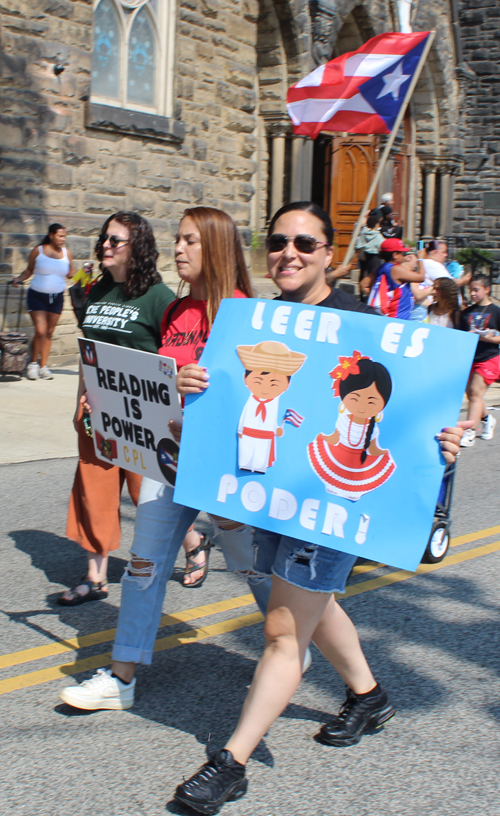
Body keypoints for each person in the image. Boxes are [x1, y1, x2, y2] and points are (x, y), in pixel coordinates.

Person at [174, 202, 468, 815]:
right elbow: (232, 395)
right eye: (279, 241)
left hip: (335, 500)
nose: (289, 252)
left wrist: (442, 440)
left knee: (283, 629)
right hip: (276, 496)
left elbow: (413, 411)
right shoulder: (256, 320)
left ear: (329, 255)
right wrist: (196, 384)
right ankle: (368, 695)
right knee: (313, 600)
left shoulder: (360, 324)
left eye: (305, 243)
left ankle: (230, 763)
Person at [58, 207, 274, 708]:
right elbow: (153, 383)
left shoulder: (245, 313)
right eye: (178, 239)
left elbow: (267, 392)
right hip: (170, 459)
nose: (179, 249)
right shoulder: (175, 312)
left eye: (191, 241)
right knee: (143, 567)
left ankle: (288, 641)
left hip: (227, 467)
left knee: (251, 566)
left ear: (217, 247)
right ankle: (122, 679)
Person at [59, 212, 175, 605]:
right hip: (96, 410)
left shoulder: (159, 298)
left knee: (151, 494)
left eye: (115, 241)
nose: (104, 246)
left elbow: (172, 358)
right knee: (95, 488)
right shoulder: (95, 291)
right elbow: (87, 349)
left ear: (137, 248)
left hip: (143, 416)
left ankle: (193, 540)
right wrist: (81, 397)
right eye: (104, 239)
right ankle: (95, 577)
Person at [12, 223, 75, 380]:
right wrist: (19, 279)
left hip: (57, 298)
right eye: (60, 235)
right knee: (40, 330)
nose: (63, 239)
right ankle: (33, 364)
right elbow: (29, 270)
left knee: (49, 332)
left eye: (64, 236)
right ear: (51, 235)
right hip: (37, 296)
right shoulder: (38, 251)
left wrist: (83, 273)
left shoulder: (67, 253)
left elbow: (69, 273)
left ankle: (43, 367)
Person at [459, 273, 500, 447]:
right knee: (473, 395)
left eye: (476, 290)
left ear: (487, 289)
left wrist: (488, 338)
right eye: (471, 290)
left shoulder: (496, 312)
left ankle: (469, 431)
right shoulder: (466, 313)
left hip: (490, 357)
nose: (473, 294)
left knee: (475, 392)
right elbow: (460, 335)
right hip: (471, 358)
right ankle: (488, 419)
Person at [367, 238, 424, 319]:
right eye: (402, 253)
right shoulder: (396, 269)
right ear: (395, 255)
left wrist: (380, 300)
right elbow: (421, 277)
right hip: (398, 317)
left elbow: (364, 284)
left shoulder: (381, 268)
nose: (403, 255)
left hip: (390, 316)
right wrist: (421, 258)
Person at [356, 209, 383, 294]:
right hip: (375, 258)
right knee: (374, 278)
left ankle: (363, 295)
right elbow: (382, 246)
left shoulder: (363, 234)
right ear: (376, 224)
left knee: (364, 276)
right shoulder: (378, 236)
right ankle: (373, 295)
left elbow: (358, 246)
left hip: (366, 257)